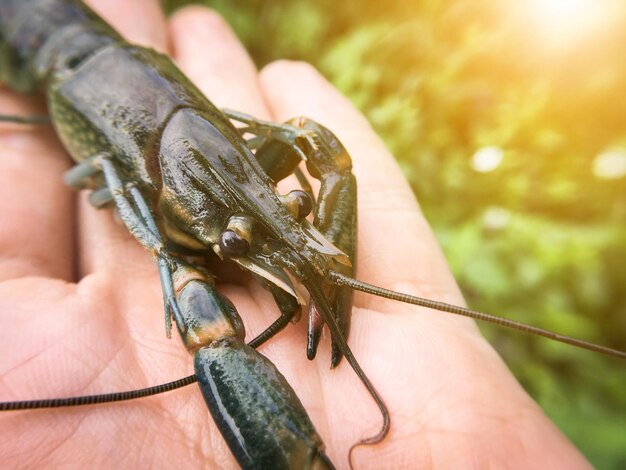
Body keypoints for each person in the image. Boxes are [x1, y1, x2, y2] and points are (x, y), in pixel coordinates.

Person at [0, 1, 590, 468]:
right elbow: (211, 332)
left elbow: (314, 142)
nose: (288, 220)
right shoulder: (134, 185)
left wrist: (290, 237)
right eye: (234, 242)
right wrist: (168, 247)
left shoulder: (250, 174)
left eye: (293, 206)